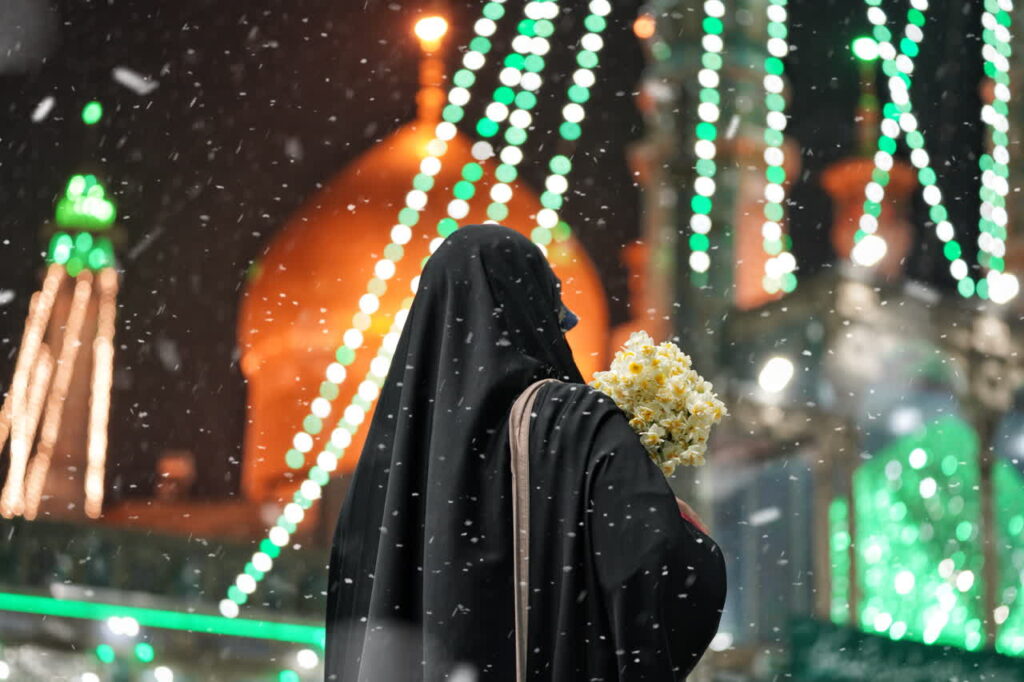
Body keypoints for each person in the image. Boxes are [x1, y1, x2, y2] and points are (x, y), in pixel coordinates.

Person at [325, 225, 726, 681]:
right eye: (555, 302)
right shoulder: (572, 423)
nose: (566, 321)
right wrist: (682, 528)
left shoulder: (384, 476)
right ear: (530, 306)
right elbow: (653, 566)